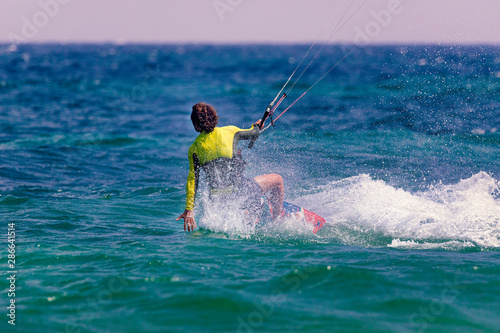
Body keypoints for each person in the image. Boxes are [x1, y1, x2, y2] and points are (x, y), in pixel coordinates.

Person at [177, 102, 285, 231]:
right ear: (214, 117)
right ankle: (278, 220)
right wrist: (257, 125)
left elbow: (192, 181)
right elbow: (254, 133)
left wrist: (189, 209)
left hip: (217, 201)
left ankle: (249, 212)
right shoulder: (231, 132)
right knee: (277, 180)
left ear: (196, 125)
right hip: (242, 192)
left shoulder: (194, 149)